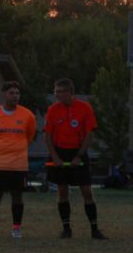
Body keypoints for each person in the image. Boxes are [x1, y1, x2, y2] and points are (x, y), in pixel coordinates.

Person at [44, 78, 106, 240]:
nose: (56, 95)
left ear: (69, 92)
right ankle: (66, 229)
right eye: (55, 91)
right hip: (59, 152)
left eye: (60, 91)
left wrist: (79, 156)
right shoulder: (53, 110)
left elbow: (89, 133)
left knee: (86, 192)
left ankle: (94, 230)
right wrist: (55, 157)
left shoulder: (84, 108)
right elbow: (48, 135)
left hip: (77, 152)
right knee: (62, 191)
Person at [0, 81, 36, 239]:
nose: (15, 96)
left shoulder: (28, 115)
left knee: (17, 195)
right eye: (12, 93)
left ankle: (16, 229)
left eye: (17, 93)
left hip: (19, 164)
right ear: (4, 94)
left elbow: (30, 136)